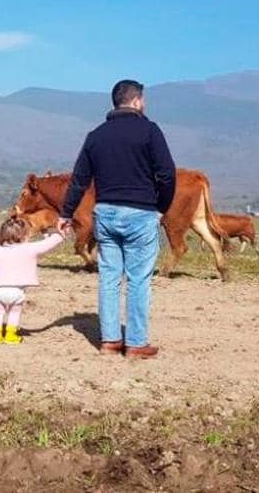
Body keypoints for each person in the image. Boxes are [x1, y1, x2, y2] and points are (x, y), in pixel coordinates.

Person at [58, 79, 175, 359]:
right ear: (136, 101)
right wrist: (161, 207)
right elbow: (167, 174)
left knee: (109, 278)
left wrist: (65, 213)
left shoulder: (96, 135)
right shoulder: (149, 130)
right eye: (143, 100)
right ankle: (136, 343)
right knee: (138, 280)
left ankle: (110, 341)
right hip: (140, 213)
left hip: (106, 214)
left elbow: (79, 181)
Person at [0, 216, 64, 345]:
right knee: (14, 313)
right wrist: (60, 234)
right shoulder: (30, 249)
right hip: (17, 291)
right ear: (25, 235)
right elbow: (47, 244)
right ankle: (11, 335)